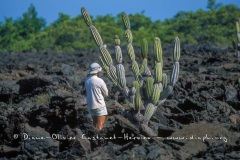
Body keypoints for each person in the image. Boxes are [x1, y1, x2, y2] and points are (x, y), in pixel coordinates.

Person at [85, 62, 108, 131]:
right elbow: (106, 93)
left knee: (94, 125)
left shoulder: (87, 80)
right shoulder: (99, 80)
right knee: (100, 125)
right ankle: (99, 139)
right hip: (99, 105)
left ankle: (94, 139)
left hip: (90, 105)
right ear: (97, 71)